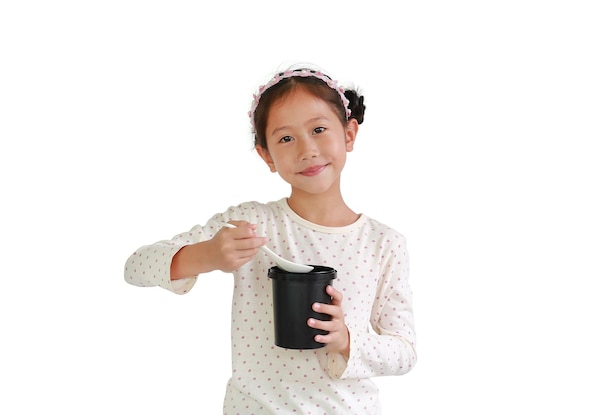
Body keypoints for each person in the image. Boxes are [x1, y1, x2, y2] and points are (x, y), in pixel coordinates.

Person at [124, 64, 417, 414]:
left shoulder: (384, 243)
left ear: (349, 134)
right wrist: (206, 255)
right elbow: (135, 267)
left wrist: (347, 341)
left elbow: (404, 352)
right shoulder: (251, 223)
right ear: (267, 156)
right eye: (286, 138)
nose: (307, 149)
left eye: (319, 129)